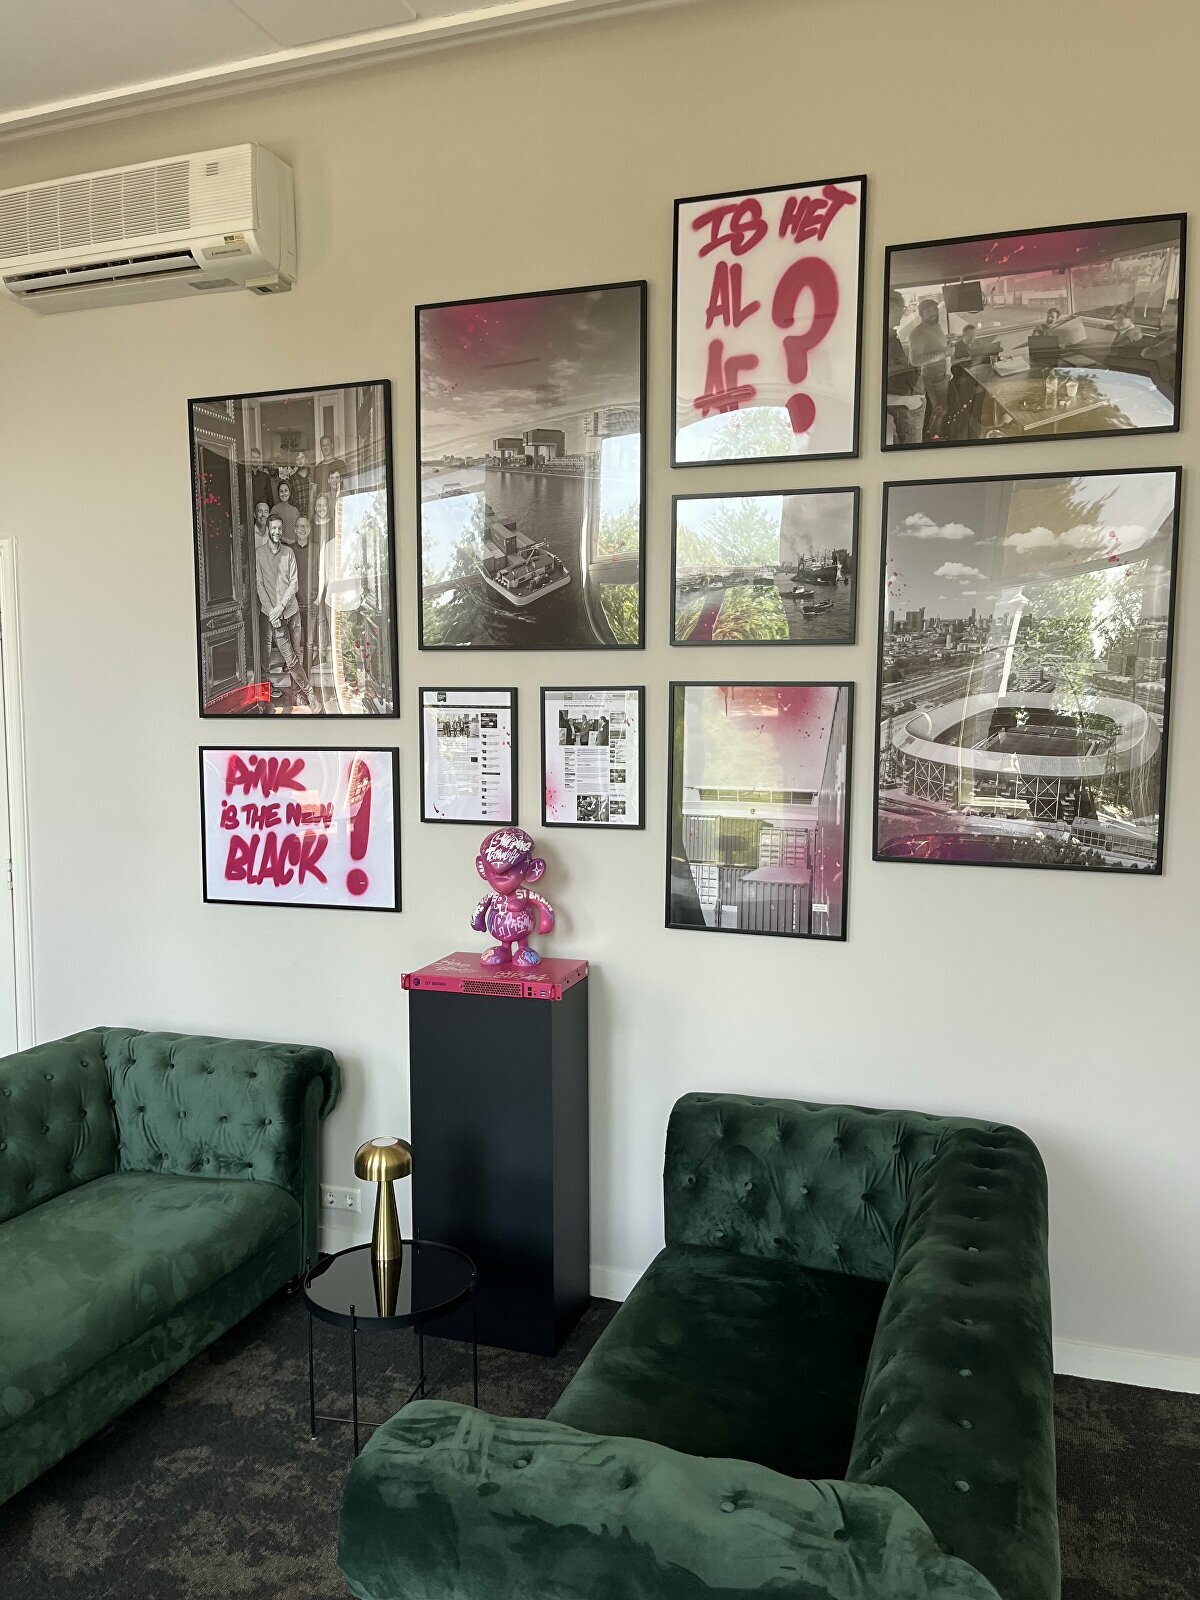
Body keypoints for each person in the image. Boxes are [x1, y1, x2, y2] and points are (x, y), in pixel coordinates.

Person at [256, 515, 316, 711]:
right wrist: (272, 612)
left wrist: (281, 607)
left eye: (280, 528)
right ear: (268, 530)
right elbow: (260, 585)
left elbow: (294, 583)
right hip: (274, 617)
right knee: (290, 660)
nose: (277, 532)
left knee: (296, 655)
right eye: (273, 528)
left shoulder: (289, 552)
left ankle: (298, 694)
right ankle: (309, 693)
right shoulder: (259, 554)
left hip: (291, 612)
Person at [907, 296, 950, 441]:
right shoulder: (918, 333)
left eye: (935, 309)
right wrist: (944, 354)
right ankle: (935, 440)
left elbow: (938, 349)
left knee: (943, 409)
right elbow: (915, 360)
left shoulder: (936, 326)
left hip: (942, 375)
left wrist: (947, 369)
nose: (933, 313)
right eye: (928, 311)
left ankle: (938, 436)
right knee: (939, 411)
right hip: (932, 378)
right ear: (921, 315)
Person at [886, 290, 925, 445]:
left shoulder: (890, 337)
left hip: (910, 404)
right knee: (912, 453)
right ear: (889, 308)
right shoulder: (880, 340)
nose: (903, 313)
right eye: (901, 308)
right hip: (906, 408)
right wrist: (908, 401)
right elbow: (871, 391)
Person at [292, 515, 318, 677]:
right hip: (294, 604)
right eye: (299, 526)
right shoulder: (289, 550)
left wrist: (318, 597)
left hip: (312, 602)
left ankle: (306, 678)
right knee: (295, 645)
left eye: (305, 526)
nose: (302, 529)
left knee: (309, 643)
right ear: (295, 530)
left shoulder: (316, 549)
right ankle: (296, 680)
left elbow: (323, 573)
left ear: (309, 529)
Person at [270, 478, 300, 543]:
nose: (283, 493)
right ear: (278, 493)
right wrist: (286, 540)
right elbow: (271, 530)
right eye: (281, 491)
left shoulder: (295, 510)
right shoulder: (275, 509)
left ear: (290, 492)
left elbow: (298, 530)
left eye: (286, 490)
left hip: (294, 545)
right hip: (280, 545)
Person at [289, 449, 314, 518]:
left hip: (313, 515)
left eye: (302, 458)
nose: (300, 460)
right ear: (295, 462)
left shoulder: (312, 475)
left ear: (306, 460)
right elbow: (291, 501)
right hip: (298, 516)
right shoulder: (292, 479)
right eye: (297, 459)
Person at [249, 447, 273, 513]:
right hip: (248, 512)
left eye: (257, 457)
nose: (255, 460)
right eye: (253, 457)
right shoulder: (245, 476)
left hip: (262, 512)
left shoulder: (265, 476)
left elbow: (270, 498)